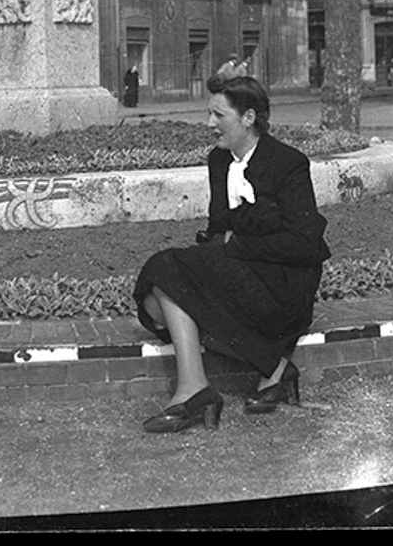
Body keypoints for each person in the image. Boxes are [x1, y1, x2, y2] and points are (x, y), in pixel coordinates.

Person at [133, 62, 331, 433]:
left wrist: (235, 244)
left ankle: (196, 390)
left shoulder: (288, 163)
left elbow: (305, 243)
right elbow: (218, 228)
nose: (209, 123)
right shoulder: (219, 160)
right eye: (209, 113)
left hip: (285, 283)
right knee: (154, 296)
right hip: (241, 270)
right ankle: (269, 370)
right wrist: (222, 244)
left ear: (248, 117)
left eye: (218, 114)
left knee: (166, 271)